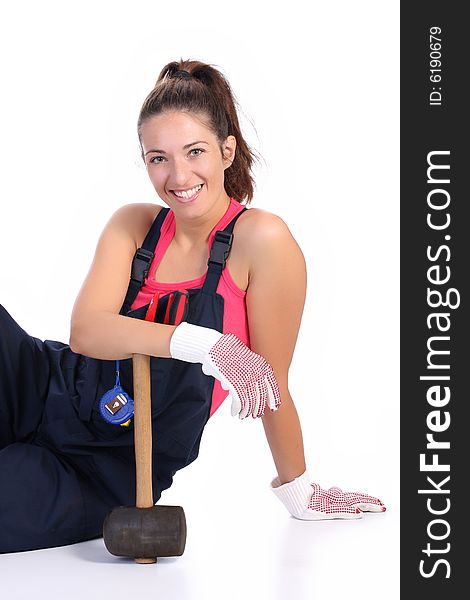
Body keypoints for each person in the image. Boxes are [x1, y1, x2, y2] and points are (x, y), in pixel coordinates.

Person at [0, 59, 385, 554]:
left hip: (103, 466)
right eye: (158, 158)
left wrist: (298, 489)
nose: (177, 175)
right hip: (41, 385)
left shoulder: (262, 241)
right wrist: (203, 342)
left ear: (227, 151)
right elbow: (87, 332)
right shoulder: (134, 224)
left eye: (195, 152)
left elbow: (271, 384)